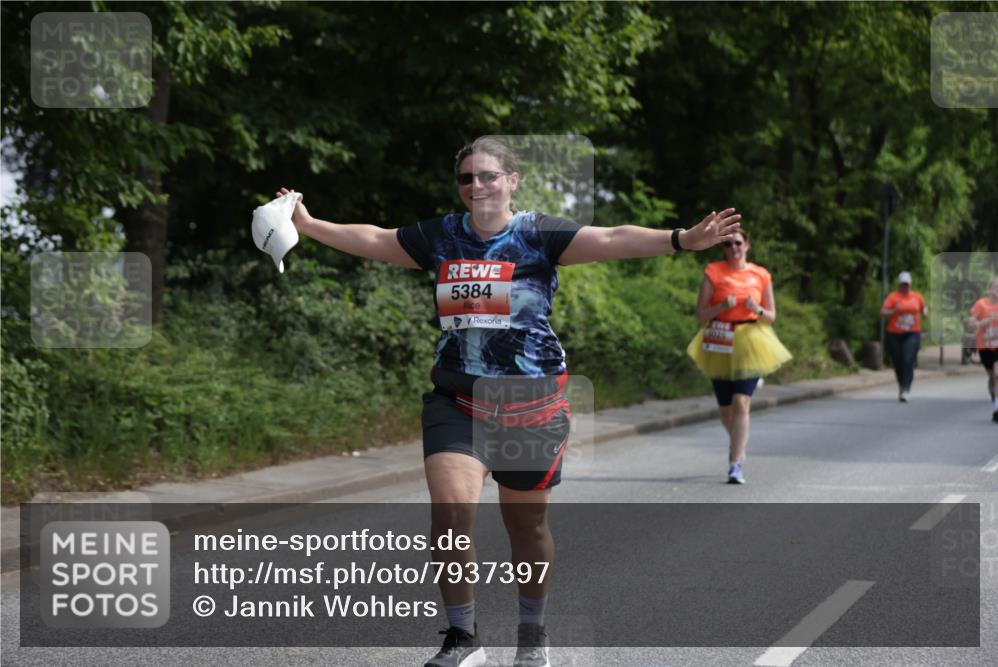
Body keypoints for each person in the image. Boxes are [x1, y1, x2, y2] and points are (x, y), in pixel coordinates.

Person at [277, 136, 741, 667]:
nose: (476, 187)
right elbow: (378, 238)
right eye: (466, 178)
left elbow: (613, 236)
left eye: (488, 176)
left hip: (531, 405)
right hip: (458, 399)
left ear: (512, 180)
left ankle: (533, 631)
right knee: (451, 515)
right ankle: (461, 638)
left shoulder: (539, 235)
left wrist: (682, 239)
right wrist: (309, 226)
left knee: (528, 527)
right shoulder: (444, 235)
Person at [686, 229, 791, 484]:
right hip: (720, 339)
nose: (734, 248)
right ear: (724, 249)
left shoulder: (760, 274)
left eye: (738, 243)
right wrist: (723, 306)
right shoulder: (713, 272)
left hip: (751, 340)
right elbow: (700, 315)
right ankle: (738, 444)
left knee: (741, 402)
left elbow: (771, 316)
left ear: (747, 245)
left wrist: (756, 309)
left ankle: (735, 463)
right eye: (729, 244)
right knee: (725, 410)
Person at [880, 271, 928, 403]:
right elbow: (883, 311)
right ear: (899, 285)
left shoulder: (917, 296)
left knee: (908, 359)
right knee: (898, 362)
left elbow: (924, 307)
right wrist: (894, 310)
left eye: (907, 284)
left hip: (912, 333)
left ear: (910, 285)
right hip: (894, 334)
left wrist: (925, 312)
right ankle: (902, 385)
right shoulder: (893, 297)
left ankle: (906, 389)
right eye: (902, 284)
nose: (904, 287)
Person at [968, 277, 998, 423]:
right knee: (991, 377)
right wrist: (984, 322)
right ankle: (995, 398)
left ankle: (997, 409)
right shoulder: (981, 304)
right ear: (989, 289)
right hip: (984, 346)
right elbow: (971, 324)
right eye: (996, 286)